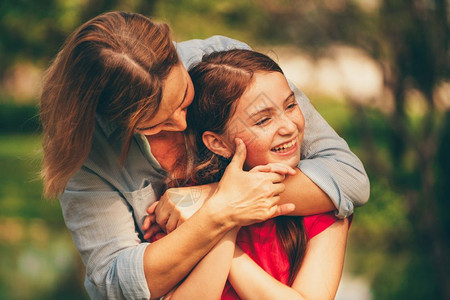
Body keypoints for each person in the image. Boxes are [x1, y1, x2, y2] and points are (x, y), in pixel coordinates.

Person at [39, 11, 369, 299]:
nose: (182, 123)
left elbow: (346, 177)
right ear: (116, 118)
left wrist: (213, 199)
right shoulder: (90, 157)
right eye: (157, 123)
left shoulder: (226, 67)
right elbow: (118, 281)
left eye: (184, 98)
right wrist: (219, 218)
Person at [144, 49, 349, 300]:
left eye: (291, 105)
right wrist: (225, 215)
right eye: (263, 121)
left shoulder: (319, 202)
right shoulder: (182, 205)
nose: (289, 126)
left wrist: (226, 224)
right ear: (217, 143)